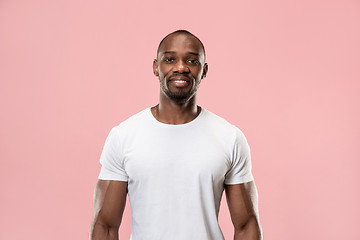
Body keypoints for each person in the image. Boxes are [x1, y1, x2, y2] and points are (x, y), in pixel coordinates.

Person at [90, 30, 262, 240]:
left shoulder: (229, 137)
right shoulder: (124, 136)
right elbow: (105, 226)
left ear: (204, 70)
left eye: (192, 60)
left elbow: (246, 225)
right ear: (156, 67)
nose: (181, 67)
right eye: (170, 59)